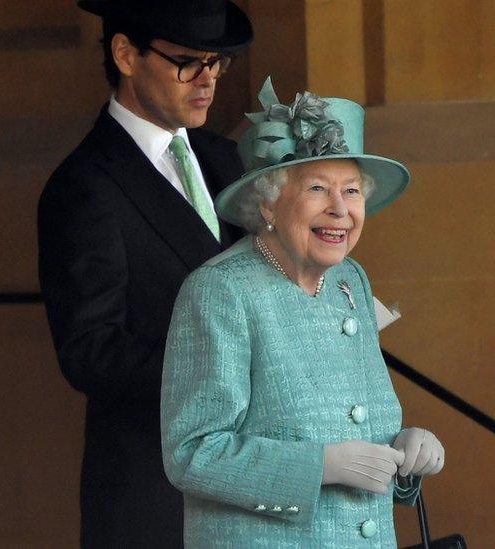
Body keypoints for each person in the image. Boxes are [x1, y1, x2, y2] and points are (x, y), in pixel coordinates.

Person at [160, 78, 445, 547]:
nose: (340, 210)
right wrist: (321, 467)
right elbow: (191, 453)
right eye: (318, 188)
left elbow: (356, 430)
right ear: (268, 202)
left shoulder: (350, 280)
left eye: (352, 191)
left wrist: (405, 451)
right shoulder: (220, 291)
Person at [37, 0, 253, 545]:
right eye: (187, 62)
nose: (207, 79)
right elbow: (90, 350)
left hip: (254, 481)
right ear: (125, 54)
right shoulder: (84, 185)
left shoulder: (228, 159)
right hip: (155, 493)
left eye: (216, 61)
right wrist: (227, 373)